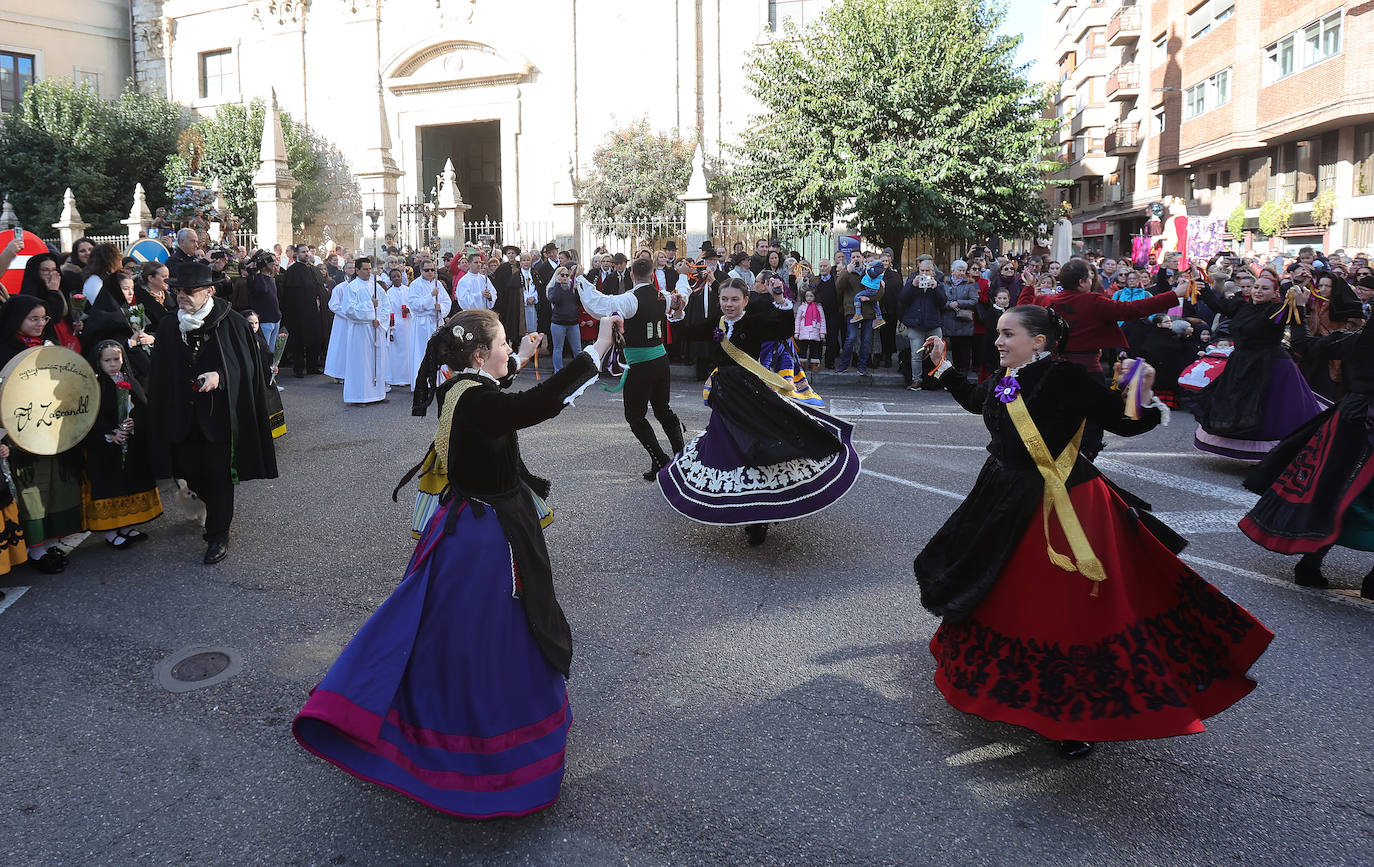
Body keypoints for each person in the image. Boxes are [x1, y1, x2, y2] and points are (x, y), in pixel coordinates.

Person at [294, 309, 620, 820]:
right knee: (495, 638)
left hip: (465, 526)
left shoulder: (456, 388)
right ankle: (483, 746)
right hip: (487, 539)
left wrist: (518, 360)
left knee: (453, 633)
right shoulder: (480, 402)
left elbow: (492, 398)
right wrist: (596, 349)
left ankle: (422, 711)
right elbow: (533, 404)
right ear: (478, 355)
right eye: (504, 342)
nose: (510, 345)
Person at [914, 306, 1273, 758]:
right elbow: (977, 398)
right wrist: (944, 365)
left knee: (1064, 610)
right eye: (999, 334)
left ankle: (1070, 716)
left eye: (1008, 334)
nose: (998, 342)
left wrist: (1139, 387)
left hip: (1060, 505)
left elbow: (1125, 421)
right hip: (1003, 494)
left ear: (1039, 341)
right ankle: (990, 683)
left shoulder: (1066, 377)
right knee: (1001, 592)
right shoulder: (1008, 374)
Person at [661, 279, 860, 546]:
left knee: (754, 450)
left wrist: (780, 299)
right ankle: (736, 508)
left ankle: (759, 517)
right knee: (725, 452)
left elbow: (784, 329)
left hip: (749, 395)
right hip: (723, 397)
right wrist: (676, 311)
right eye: (724, 300)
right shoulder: (716, 323)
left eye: (734, 300)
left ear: (745, 300)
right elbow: (688, 332)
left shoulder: (754, 322)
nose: (728, 304)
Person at [147, 261, 278, 564]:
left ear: (208, 291)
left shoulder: (231, 322)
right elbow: (162, 372)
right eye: (177, 290)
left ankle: (218, 534)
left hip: (219, 418)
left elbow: (248, 368)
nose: (181, 296)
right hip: (183, 416)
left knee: (220, 477)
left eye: (189, 291)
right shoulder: (169, 324)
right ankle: (205, 504)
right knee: (189, 472)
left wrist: (221, 377)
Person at [1240, 319, 1374, 596]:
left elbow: (1305, 345)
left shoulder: (1357, 339)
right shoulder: (1356, 338)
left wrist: (1298, 310)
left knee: (1331, 489)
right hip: (1356, 421)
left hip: (1351, 422)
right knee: (1341, 492)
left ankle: (1311, 563)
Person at [1192, 267, 1327, 460]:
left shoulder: (1276, 310)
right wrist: (1202, 284)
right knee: (1234, 404)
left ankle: (1275, 453)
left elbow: (1290, 307)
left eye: (1264, 288)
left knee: (1269, 408)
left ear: (1274, 294)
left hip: (1269, 364)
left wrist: (1296, 285)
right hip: (1240, 362)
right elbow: (1216, 303)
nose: (1258, 291)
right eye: (1256, 287)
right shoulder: (1240, 306)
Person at [576, 257, 687, 478]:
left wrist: (579, 278)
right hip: (661, 361)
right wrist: (683, 275)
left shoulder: (630, 299)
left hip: (640, 365)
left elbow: (598, 304)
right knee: (662, 410)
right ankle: (682, 457)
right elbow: (683, 296)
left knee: (635, 416)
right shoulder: (663, 296)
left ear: (631, 275)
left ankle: (661, 460)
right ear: (652, 274)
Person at [0, 296, 84, 573]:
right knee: (32, 491)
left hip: (51, 428)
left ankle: (48, 542)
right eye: (33, 319)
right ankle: (35, 549)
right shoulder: (4, 349)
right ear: (16, 320)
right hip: (20, 434)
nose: (40, 324)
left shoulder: (49, 347)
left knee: (54, 487)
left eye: (44, 318)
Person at [82, 340, 162, 547]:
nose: (112, 364)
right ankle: (110, 531)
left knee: (131, 483)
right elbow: (88, 418)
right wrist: (109, 434)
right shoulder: (94, 385)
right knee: (109, 486)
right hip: (106, 447)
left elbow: (144, 407)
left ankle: (127, 525)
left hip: (131, 443)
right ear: (98, 362)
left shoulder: (128, 379)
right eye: (107, 360)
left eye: (116, 359)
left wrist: (136, 421)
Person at [339, 258, 389, 405]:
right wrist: (370, 307)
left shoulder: (376, 286)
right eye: (365, 269)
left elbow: (386, 304)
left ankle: (378, 394)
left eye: (369, 269)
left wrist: (379, 318)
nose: (368, 272)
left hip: (375, 328)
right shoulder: (352, 287)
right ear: (357, 270)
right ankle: (360, 396)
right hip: (360, 330)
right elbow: (349, 310)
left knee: (377, 361)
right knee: (361, 363)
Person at [405, 260, 451, 390]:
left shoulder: (438, 284)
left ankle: (438, 382)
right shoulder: (415, 285)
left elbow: (447, 302)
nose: (430, 272)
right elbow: (414, 305)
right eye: (427, 270)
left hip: (436, 321)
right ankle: (422, 383)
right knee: (423, 352)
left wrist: (440, 307)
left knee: (438, 352)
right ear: (421, 271)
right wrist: (431, 297)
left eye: (432, 270)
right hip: (422, 324)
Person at [794, 287, 826, 371]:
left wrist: (822, 332)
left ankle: (814, 364)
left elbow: (822, 320)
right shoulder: (802, 307)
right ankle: (802, 364)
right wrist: (796, 332)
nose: (809, 298)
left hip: (815, 331)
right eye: (807, 296)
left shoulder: (819, 308)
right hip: (804, 332)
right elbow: (797, 320)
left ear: (815, 297)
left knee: (815, 349)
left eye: (811, 296)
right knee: (803, 349)